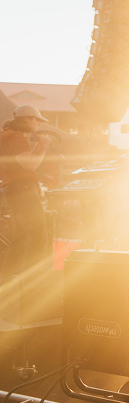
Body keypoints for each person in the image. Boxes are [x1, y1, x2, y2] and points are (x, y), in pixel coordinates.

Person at [0, 105, 52, 286]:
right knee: (38, 237)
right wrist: (44, 146)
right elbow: (29, 166)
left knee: (20, 241)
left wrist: (39, 146)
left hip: (14, 191)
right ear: (26, 119)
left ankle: (7, 286)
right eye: (36, 120)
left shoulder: (7, 136)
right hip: (23, 192)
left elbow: (29, 163)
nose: (38, 124)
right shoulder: (14, 137)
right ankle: (33, 285)